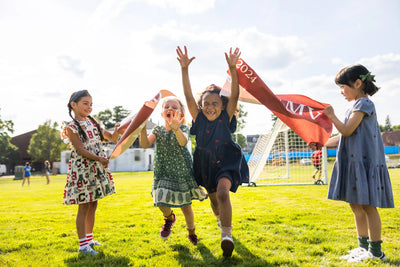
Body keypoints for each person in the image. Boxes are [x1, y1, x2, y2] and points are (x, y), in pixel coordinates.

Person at [176, 46, 249, 257]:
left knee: (224, 192)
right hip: (204, 163)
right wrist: (184, 69)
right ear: (200, 106)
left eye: (214, 103)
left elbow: (234, 94)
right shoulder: (198, 119)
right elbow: (188, 95)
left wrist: (233, 69)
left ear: (222, 105)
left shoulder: (225, 118)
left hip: (226, 160)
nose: (209, 107)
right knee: (214, 199)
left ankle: (227, 235)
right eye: (205, 103)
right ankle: (220, 221)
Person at [323, 64, 394, 263]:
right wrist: (322, 142)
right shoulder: (353, 107)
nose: (341, 92)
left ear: (357, 83)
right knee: (355, 205)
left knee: (368, 206)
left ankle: (376, 251)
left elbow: (346, 130)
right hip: (353, 163)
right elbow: (343, 137)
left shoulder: (364, 104)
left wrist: (331, 116)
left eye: (343, 87)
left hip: (365, 163)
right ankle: (363, 248)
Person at [140, 96, 207, 245]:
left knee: (185, 206)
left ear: (181, 114)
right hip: (163, 170)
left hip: (181, 171)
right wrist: (142, 128)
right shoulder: (157, 129)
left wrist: (176, 128)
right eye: (167, 107)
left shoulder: (183, 128)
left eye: (175, 107)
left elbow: (183, 142)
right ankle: (169, 218)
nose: (170, 109)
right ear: (162, 113)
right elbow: (145, 144)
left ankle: (191, 231)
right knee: (159, 200)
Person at [61, 90, 121, 255]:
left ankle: (89, 239)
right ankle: (82, 246)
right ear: (73, 105)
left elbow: (111, 137)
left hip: (96, 167)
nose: (89, 107)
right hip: (83, 170)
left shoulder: (95, 122)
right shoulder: (71, 126)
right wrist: (98, 158)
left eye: (91, 104)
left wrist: (117, 130)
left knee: (93, 203)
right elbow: (79, 149)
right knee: (84, 205)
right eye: (85, 103)